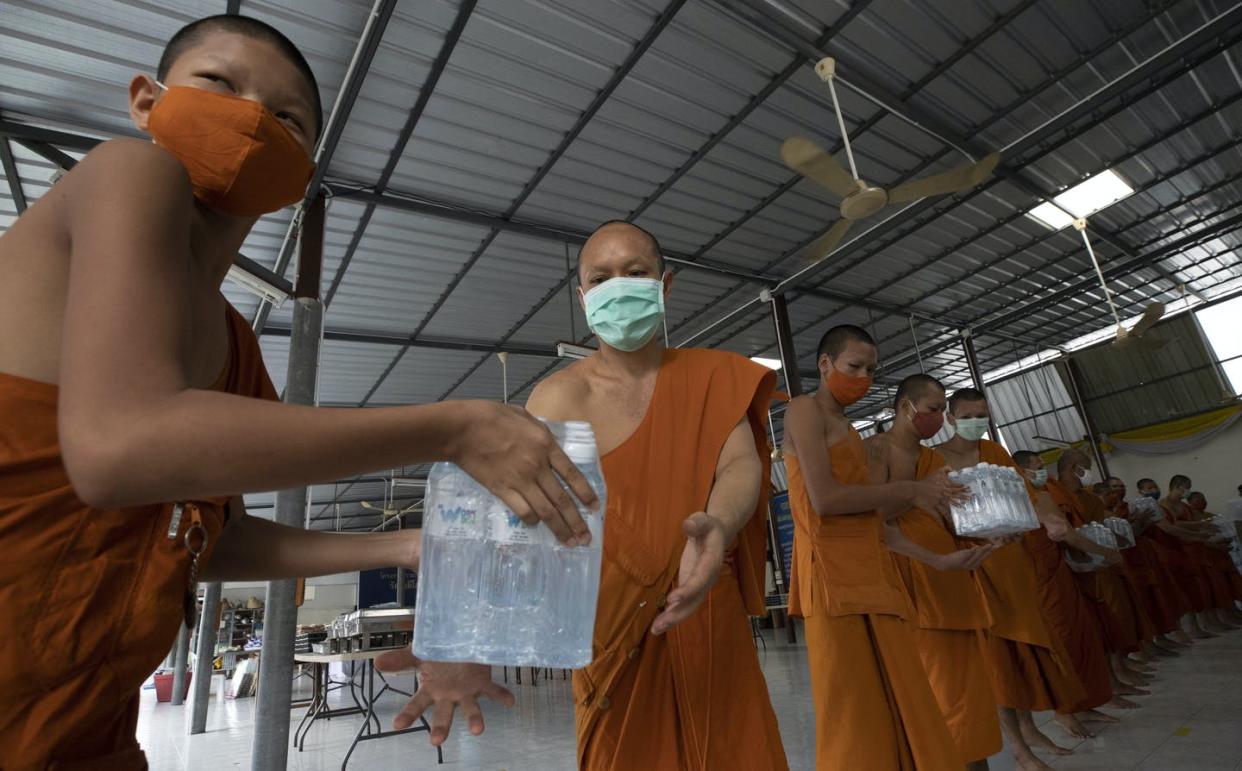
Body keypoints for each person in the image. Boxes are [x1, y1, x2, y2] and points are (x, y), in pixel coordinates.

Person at [0, 16, 601, 767]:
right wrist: (452, 428)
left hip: (77, 729)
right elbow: (118, 449)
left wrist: (409, 546)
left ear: (301, 174)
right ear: (146, 102)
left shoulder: (238, 353)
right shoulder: (128, 170)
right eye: (219, 83)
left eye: (288, 120)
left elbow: (206, 539)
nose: (252, 118)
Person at [525, 220, 788, 770]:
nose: (618, 287)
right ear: (582, 297)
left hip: (704, 605)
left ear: (664, 285)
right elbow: (532, 517)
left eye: (635, 272)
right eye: (600, 278)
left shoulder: (712, 375)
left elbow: (739, 463)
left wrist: (718, 523)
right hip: (609, 628)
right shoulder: (557, 397)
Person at [782, 324, 966, 770]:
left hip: (874, 577)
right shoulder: (804, 411)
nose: (863, 377)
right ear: (825, 365)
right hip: (830, 580)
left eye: (871, 369)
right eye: (854, 366)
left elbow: (874, 525)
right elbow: (824, 500)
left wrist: (939, 559)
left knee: (903, 701)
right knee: (853, 715)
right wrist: (912, 490)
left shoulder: (851, 432)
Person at [938, 388, 1088, 770]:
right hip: (979, 567)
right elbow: (940, 516)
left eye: (982, 415)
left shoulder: (996, 453)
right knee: (999, 661)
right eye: (968, 415)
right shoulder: (934, 460)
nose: (976, 422)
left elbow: (1027, 496)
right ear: (951, 419)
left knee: (1026, 653)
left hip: (1015, 563)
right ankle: (1019, 747)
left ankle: (1030, 729)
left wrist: (1050, 518)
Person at [864, 376, 1002, 771]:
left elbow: (950, 516)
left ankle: (973, 762)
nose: (940, 417)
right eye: (933, 408)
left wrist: (988, 530)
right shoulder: (876, 450)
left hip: (949, 579)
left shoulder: (933, 460)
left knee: (969, 693)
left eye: (943, 409)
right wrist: (915, 491)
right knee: (936, 693)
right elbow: (871, 520)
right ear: (905, 407)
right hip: (909, 578)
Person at [1011, 451, 1118, 736]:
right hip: (1040, 581)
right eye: (1036, 467)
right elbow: (1067, 533)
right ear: (1021, 471)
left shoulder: (1043, 494)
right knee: (1063, 643)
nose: (1041, 471)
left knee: (1081, 637)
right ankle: (1064, 710)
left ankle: (1085, 703)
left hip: (1059, 574)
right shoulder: (1024, 498)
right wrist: (1105, 552)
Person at [1045, 451, 1148, 705]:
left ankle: (1117, 673)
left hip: (1098, 565)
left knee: (1112, 621)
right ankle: (1108, 683)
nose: (1089, 472)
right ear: (1072, 467)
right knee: (1096, 628)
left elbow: (1099, 524)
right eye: (1086, 467)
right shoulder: (1054, 494)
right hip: (1077, 568)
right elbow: (1066, 534)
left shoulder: (1086, 497)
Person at [1102, 477, 1187, 656]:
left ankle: (1161, 637)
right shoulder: (1105, 513)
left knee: (1155, 600)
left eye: (1122, 486)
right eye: (1114, 487)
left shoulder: (1131, 507)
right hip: (1123, 561)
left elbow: (1140, 533)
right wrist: (1137, 522)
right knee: (1139, 604)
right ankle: (1145, 645)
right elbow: (1123, 538)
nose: (1119, 490)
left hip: (1142, 558)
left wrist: (1142, 522)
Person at [1146, 477, 1227, 637]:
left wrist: (1203, 527)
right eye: (1187, 487)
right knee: (1187, 591)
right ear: (1177, 487)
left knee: (1205, 588)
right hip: (1177, 551)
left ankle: (1209, 621)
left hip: (1194, 549)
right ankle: (1192, 628)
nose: (1189, 490)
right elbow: (1171, 527)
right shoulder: (1163, 505)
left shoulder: (1183, 505)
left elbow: (1187, 522)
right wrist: (1198, 533)